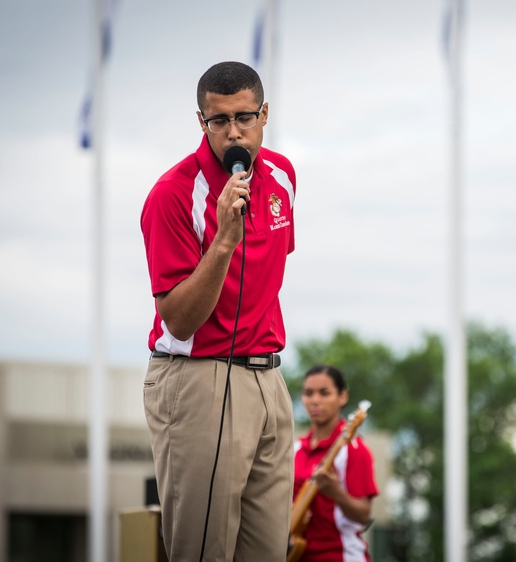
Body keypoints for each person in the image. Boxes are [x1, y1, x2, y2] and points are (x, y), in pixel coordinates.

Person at [140, 60, 297, 561]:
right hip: (200, 375)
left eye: (244, 118)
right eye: (219, 121)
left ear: (264, 114)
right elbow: (179, 319)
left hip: (268, 377)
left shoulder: (283, 176)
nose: (234, 133)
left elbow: (267, 277)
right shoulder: (172, 195)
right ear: (201, 121)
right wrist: (224, 241)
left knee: (268, 551)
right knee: (204, 551)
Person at [292, 365, 379, 562]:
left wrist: (335, 492)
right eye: (308, 393)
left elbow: (363, 515)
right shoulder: (295, 450)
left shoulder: (354, 450)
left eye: (324, 393)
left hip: (340, 556)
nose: (315, 400)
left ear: (343, 396)